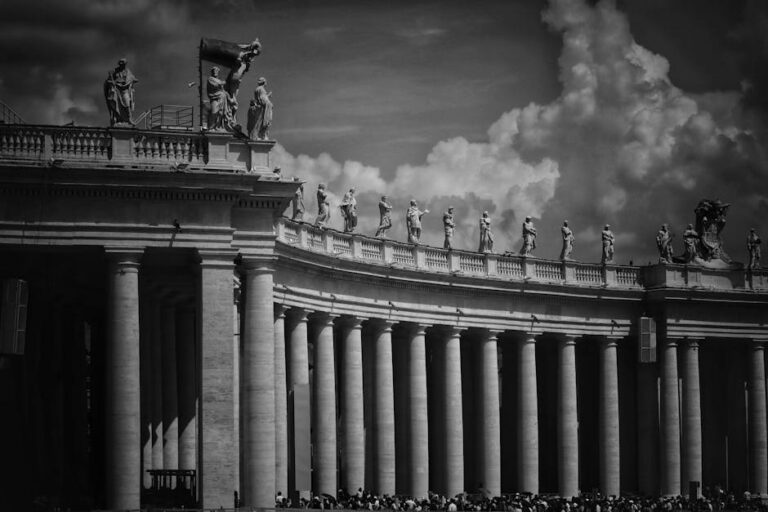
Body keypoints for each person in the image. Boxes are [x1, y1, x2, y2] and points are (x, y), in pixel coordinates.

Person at [104, 58, 138, 125]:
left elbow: (133, 78)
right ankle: (116, 118)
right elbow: (108, 80)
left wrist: (132, 80)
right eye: (120, 63)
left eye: (123, 63)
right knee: (114, 102)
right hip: (116, 89)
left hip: (124, 90)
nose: (121, 64)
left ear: (125, 64)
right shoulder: (115, 71)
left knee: (127, 103)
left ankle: (129, 118)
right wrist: (111, 82)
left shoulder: (128, 71)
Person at [207, 66, 228, 130]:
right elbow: (215, 85)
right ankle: (211, 127)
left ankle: (218, 127)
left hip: (222, 98)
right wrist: (222, 83)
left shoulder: (219, 80)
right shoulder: (210, 79)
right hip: (215, 98)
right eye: (213, 71)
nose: (215, 72)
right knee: (214, 112)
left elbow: (223, 90)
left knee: (220, 113)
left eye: (216, 71)